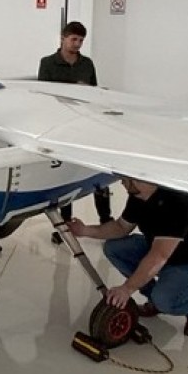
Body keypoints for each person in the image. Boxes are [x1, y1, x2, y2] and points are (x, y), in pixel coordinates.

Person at [67, 177, 188, 337]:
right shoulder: (139, 196)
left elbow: (159, 256)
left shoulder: (178, 202)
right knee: (114, 248)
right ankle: (153, 299)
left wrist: (127, 289)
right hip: (165, 250)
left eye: (127, 179)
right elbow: (121, 227)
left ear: (143, 179)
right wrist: (85, 230)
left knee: (164, 300)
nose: (122, 183)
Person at [37, 21, 112, 229]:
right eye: (74, 39)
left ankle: (106, 218)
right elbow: (43, 94)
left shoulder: (87, 64)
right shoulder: (48, 63)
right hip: (61, 124)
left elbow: (94, 92)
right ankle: (65, 221)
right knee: (65, 174)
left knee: (97, 171)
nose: (77, 44)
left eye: (80, 40)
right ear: (63, 38)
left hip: (85, 122)